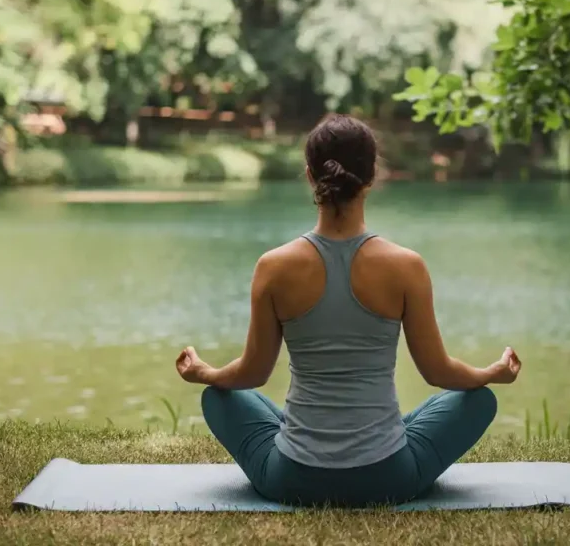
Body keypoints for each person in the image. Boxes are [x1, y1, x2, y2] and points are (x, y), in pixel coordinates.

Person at [175, 113, 521, 507]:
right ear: (372, 176)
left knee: (217, 396)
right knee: (479, 399)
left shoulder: (274, 266)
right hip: (389, 477)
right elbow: (437, 372)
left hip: (292, 480)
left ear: (309, 175)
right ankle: (384, 436)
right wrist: (490, 373)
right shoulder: (406, 266)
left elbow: (251, 373)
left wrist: (206, 372)